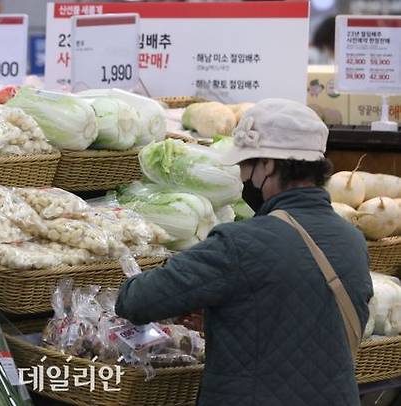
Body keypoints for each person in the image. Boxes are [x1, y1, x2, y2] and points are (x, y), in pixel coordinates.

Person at [115, 99, 373, 406]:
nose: (241, 177)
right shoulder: (353, 239)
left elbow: (136, 300)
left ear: (269, 165)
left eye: (245, 165)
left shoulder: (241, 242)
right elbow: (296, 321)